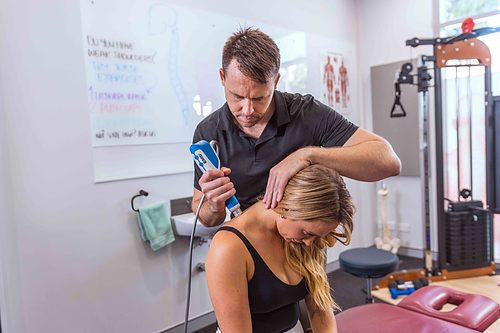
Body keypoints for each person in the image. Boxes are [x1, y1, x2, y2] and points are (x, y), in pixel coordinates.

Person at [191, 27, 400, 227]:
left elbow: (389, 162)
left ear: (276, 81)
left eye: (260, 98)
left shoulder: (306, 114)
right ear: (222, 78)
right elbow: (208, 220)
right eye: (237, 96)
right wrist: (213, 205)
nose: (247, 110)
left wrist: (306, 156)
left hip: (304, 250)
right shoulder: (208, 132)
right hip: (249, 244)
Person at [205, 165, 354, 332]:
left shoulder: (305, 238)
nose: (309, 243)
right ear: (288, 208)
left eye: (315, 236)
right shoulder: (229, 247)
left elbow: (320, 309)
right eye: (306, 233)